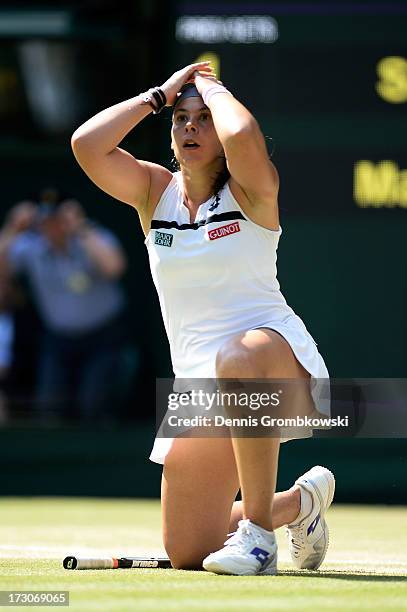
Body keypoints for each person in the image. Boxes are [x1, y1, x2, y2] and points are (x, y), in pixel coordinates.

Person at [71, 61, 335, 575]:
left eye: (203, 119)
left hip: (277, 366)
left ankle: (258, 541)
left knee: (237, 354)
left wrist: (212, 89)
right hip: (201, 389)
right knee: (191, 553)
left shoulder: (253, 189)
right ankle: (300, 504)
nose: (190, 126)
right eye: (181, 120)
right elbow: (86, 144)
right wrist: (159, 96)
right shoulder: (153, 191)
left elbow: (242, 132)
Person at [0, 191, 128, 422]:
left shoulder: (89, 237)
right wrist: (13, 227)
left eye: (58, 219)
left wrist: (80, 226)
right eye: (46, 220)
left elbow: (114, 267)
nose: (52, 227)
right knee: (50, 407)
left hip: (102, 337)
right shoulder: (31, 247)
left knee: (94, 405)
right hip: (58, 340)